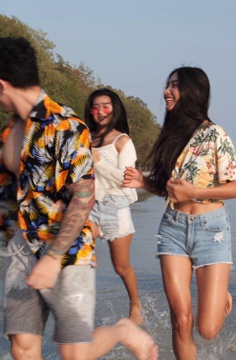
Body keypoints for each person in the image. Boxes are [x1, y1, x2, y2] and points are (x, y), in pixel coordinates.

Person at [0, 37, 157, 359]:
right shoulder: (7, 132)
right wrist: (10, 234)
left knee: (76, 354)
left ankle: (121, 330)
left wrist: (52, 257)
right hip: (21, 248)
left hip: (66, 249)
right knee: (22, 348)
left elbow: (84, 196)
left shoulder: (66, 126)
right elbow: (11, 194)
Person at [122, 66, 236, 359]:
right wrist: (143, 182)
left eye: (174, 86)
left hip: (212, 230)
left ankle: (217, 290)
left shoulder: (214, 134)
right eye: (167, 85)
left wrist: (196, 193)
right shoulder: (170, 135)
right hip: (173, 229)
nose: (167, 91)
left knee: (208, 329)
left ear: (193, 91)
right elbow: (170, 189)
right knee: (181, 321)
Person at [85, 88, 143, 325]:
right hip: (88, 204)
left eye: (106, 106)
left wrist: (97, 162)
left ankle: (135, 304)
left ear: (115, 108)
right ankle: (79, 304)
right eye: (96, 107)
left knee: (121, 267)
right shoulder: (86, 138)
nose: (100, 111)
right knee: (80, 244)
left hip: (115, 205)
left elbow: (126, 178)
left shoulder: (123, 141)